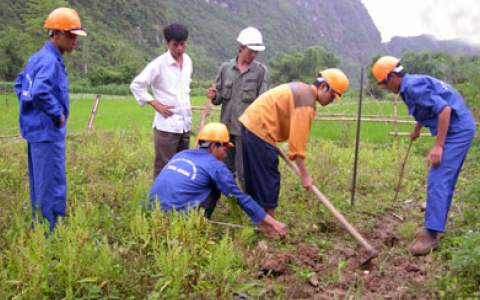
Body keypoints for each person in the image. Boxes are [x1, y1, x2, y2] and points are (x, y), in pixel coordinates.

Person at [372, 56, 475, 256]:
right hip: (459, 126)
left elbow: (444, 110)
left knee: (438, 178)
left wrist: (438, 145)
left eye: (385, 83)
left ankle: (431, 235)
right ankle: (436, 224)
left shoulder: (412, 87)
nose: (386, 88)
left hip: (458, 129)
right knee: (442, 178)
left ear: (393, 76)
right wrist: (417, 128)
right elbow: (427, 108)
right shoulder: (410, 85)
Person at [238, 69, 349, 237]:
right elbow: (297, 147)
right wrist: (305, 176)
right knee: (268, 180)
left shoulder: (302, 89)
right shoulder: (306, 102)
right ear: (324, 86)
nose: (332, 100)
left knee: (260, 177)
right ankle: (268, 228)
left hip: (251, 124)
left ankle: (262, 222)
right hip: (259, 129)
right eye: (333, 96)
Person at [14, 8, 87, 233]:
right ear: (57, 34)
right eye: (71, 35)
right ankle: (50, 235)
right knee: (51, 184)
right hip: (47, 132)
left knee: (41, 184)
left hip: (37, 130)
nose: (75, 41)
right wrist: (57, 115)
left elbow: (20, 85)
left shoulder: (38, 57)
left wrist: (31, 114)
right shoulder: (50, 62)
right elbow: (39, 92)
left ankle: (42, 228)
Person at [147, 122, 288, 238]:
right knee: (215, 188)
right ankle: (196, 228)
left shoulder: (182, 154)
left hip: (150, 215)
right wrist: (272, 222)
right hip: (176, 222)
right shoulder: (216, 167)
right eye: (225, 148)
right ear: (213, 146)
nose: (226, 153)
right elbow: (240, 198)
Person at [206, 27, 269, 190]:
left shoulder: (261, 72)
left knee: (244, 170)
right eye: (251, 51)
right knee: (226, 168)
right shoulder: (226, 68)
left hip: (246, 131)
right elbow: (219, 99)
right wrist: (214, 95)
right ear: (241, 47)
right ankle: (232, 199)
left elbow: (264, 103)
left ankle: (249, 201)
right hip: (225, 130)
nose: (254, 55)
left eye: (257, 52)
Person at [130, 24, 193, 179]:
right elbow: (136, 85)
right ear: (167, 43)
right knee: (164, 167)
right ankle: (160, 201)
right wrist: (154, 103)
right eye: (175, 45)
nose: (180, 48)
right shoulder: (158, 64)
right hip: (167, 126)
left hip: (185, 125)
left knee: (182, 166)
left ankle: (178, 200)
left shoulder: (188, 61)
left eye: (183, 44)